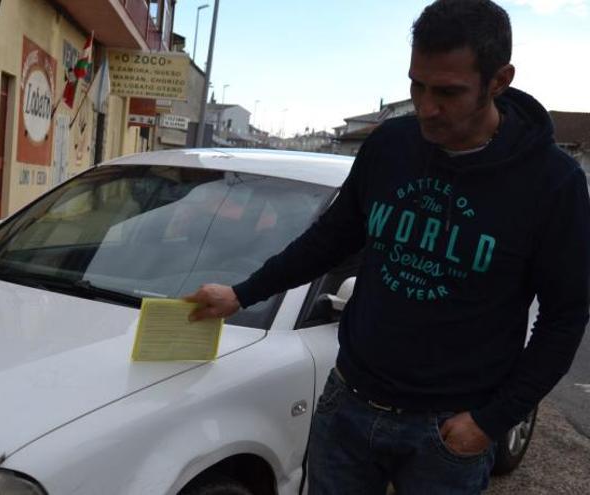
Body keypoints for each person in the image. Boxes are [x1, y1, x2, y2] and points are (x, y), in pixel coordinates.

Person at [185, 0, 590, 493]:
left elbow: (566, 316)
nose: (426, 106)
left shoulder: (552, 182)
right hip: (348, 405)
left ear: (499, 80)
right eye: (416, 85)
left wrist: (490, 420)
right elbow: (332, 237)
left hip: (447, 432)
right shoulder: (392, 145)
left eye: (448, 91)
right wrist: (243, 293)